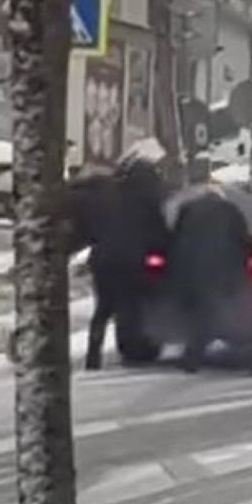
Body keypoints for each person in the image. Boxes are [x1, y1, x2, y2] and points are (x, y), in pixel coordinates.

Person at [82, 152, 169, 370]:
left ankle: (93, 356)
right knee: (136, 302)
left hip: (105, 259)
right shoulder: (149, 202)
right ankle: (138, 344)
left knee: (102, 310)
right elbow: (159, 233)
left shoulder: (109, 196)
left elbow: (93, 227)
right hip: (135, 261)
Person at [169, 167, 250, 372]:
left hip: (189, 268)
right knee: (210, 312)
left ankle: (193, 353)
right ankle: (194, 356)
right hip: (218, 269)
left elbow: (175, 237)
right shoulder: (231, 211)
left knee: (197, 312)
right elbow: (242, 241)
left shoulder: (188, 209)